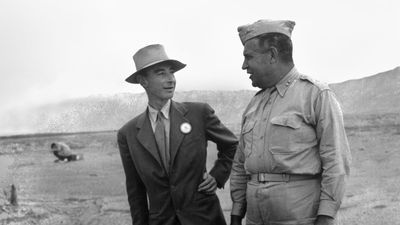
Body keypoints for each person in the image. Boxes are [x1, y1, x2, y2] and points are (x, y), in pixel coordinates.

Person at [230, 19, 351, 225]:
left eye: (248, 57)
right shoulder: (254, 104)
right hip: (255, 218)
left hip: (300, 217)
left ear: (272, 55)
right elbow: (241, 165)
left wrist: (326, 217)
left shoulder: (316, 95)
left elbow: (336, 162)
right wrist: (236, 214)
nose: (244, 65)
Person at [117, 44, 238, 225]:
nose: (171, 79)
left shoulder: (199, 114)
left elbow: (231, 144)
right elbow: (135, 191)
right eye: (161, 73)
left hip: (204, 218)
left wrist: (218, 175)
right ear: (143, 81)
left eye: (171, 72)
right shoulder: (128, 133)